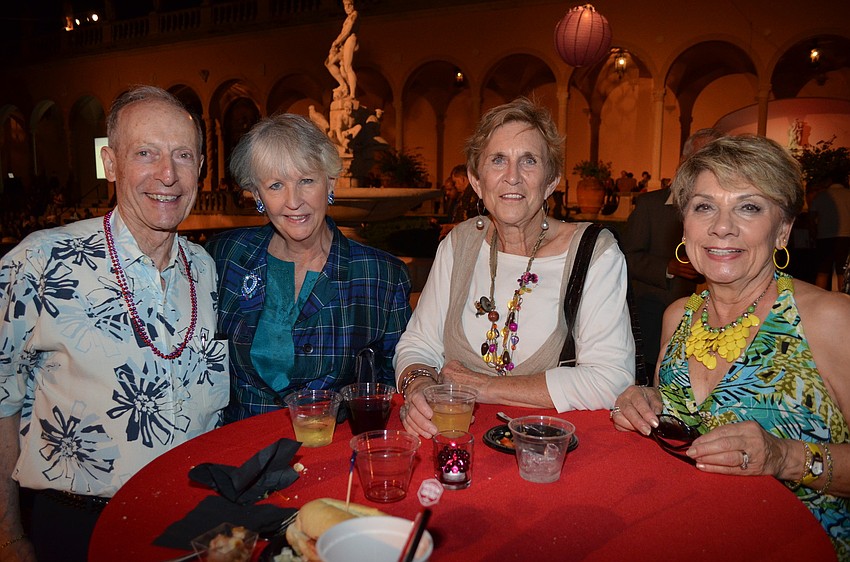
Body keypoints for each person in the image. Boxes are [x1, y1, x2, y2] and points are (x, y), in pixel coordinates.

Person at [0, 85, 228, 562]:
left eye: (183, 155)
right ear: (110, 162)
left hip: (194, 524)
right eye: (145, 153)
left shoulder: (205, 268)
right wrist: (8, 536)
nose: (168, 174)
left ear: (201, 170)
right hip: (78, 529)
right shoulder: (40, 262)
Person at [611, 134, 850, 558]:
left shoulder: (831, 319)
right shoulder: (678, 316)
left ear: (783, 229)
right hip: (685, 536)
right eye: (704, 206)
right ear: (684, 225)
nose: (722, 226)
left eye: (749, 207)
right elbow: (675, 423)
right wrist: (644, 401)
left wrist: (785, 457)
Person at [395, 97, 634, 439]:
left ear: (551, 181)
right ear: (477, 180)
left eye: (529, 161)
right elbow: (418, 344)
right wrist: (418, 386)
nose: (512, 177)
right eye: (497, 160)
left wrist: (487, 388)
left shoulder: (594, 253)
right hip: (452, 437)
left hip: (547, 450)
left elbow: (612, 379)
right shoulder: (459, 245)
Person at [206, 113, 412, 423]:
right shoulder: (225, 256)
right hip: (240, 453)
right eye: (276, 185)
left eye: (306, 181)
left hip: (332, 451)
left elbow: (394, 385)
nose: (293, 201)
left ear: (330, 182)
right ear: (257, 194)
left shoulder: (381, 276)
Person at [622, 128, 722, 376]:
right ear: (685, 161)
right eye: (703, 157)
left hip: (712, 325)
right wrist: (668, 268)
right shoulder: (651, 205)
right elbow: (627, 257)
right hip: (653, 320)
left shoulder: (724, 212)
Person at [810, 169, 850, 290]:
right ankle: (843, 300)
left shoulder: (822, 195)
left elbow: (811, 216)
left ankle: (819, 300)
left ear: (830, 181)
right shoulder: (848, 194)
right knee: (842, 271)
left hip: (824, 236)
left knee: (823, 271)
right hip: (845, 235)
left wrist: (813, 232)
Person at [324, 0, 359, 98]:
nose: (347, 7)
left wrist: (336, 42)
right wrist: (334, 44)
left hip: (350, 40)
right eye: (345, 5)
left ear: (353, 5)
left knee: (348, 67)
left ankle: (352, 94)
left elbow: (347, 31)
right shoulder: (347, 18)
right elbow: (342, 33)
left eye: (349, 5)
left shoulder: (354, 14)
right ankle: (343, 85)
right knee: (329, 63)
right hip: (343, 43)